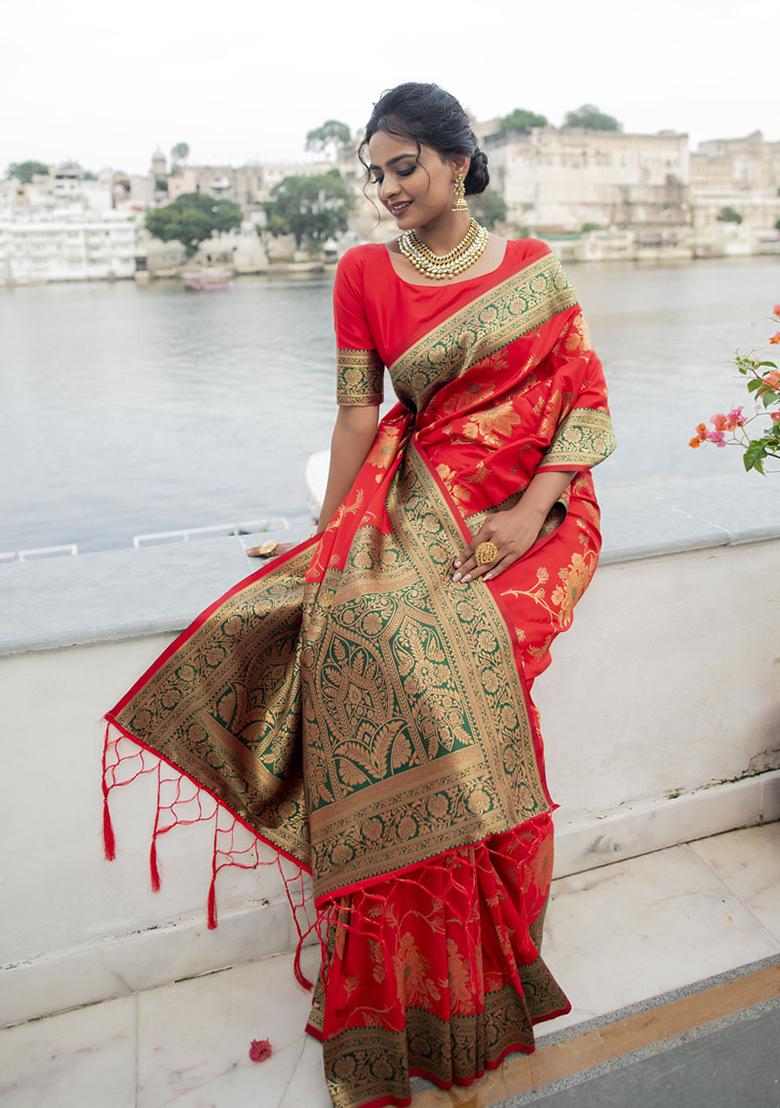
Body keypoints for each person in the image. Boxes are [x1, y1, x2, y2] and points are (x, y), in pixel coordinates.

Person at [101, 81, 617, 1108]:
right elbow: (354, 418)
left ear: (461, 160)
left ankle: (487, 962)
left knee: (459, 688)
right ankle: (396, 990)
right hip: (417, 499)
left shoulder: (535, 271)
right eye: (373, 172)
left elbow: (589, 404)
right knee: (361, 643)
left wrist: (532, 512)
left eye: (403, 166)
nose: (385, 189)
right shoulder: (360, 274)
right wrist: (334, 536)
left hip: (536, 515)